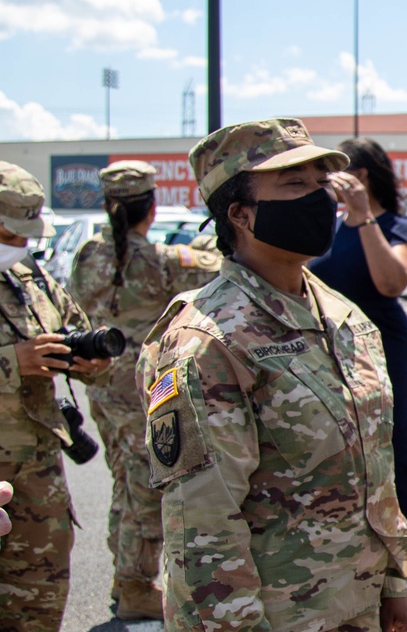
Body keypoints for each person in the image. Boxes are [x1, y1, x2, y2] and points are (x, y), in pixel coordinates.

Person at [136, 118, 407, 632]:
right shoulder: (207, 341)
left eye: (322, 184)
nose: (319, 200)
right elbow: (203, 528)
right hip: (272, 616)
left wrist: (392, 585)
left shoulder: (343, 316)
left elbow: (376, 470)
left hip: (355, 607)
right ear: (241, 215)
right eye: (295, 186)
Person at [68, 160, 222, 620]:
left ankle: (125, 578)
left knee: (125, 484)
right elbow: (213, 265)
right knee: (146, 490)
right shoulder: (160, 261)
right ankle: (135, 585)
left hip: (101, 390)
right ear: (150, 209)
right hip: (143, 392)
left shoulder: (86, 256)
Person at [309, 137, 407, 610]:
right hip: (331, 350)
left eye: (339, 174)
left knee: (397, 454)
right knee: (343, 456)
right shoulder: (328, 226)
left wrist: (363, 214)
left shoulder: (392, 225)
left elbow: (393, 281)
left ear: (363, 176)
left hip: (382, 348)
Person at [0, 161, 112, 632]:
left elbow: (75, 333)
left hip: (38, 475)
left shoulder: (30, 277)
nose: (23, 245)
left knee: (39, 607)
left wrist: (90, 364)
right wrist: (12, 362)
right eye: (12, 233)